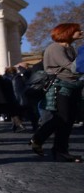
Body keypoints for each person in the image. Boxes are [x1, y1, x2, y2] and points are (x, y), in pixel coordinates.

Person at [29, 23, 83, 162]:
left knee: (68, 120)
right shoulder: (55, 48)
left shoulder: (70, 48)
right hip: (59, 87)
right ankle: (39, 138)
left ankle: (60, 150)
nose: (80, 31)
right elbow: (73, 67)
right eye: (77, 30)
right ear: (68, 32)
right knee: (62, 117)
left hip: (72, 86)